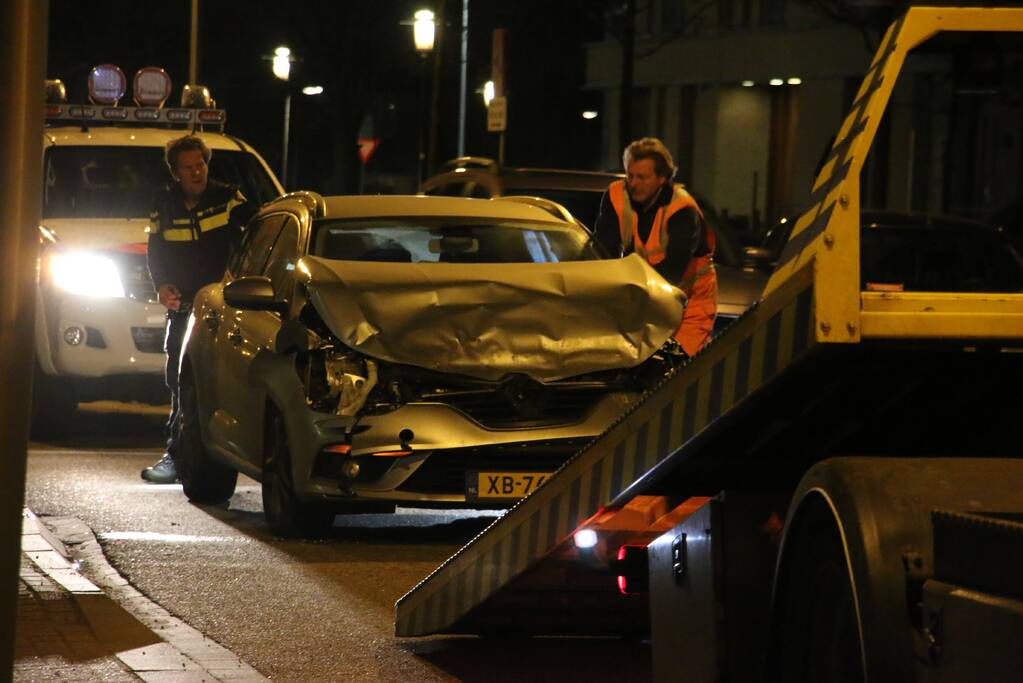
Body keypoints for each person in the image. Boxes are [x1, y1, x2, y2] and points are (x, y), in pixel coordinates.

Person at [141, 135, 255, 483]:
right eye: (188, 167)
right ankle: (177, 454)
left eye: (201, 164)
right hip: (183, 306)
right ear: (175, 172)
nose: (197, 171)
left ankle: (218, 455)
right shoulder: (163, 204)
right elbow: (156, 251)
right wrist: (161, 285)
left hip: (220, 307)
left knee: (221, 381)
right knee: (179, 380)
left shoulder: (227, 198)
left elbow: (253, 229)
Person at [594, 137, 717, 357]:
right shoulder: (616, 195)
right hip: (648, 298)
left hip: (690, 305)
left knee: (680, 366)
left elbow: (673, 271)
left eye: (642, 177)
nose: (633, 183)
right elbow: (602, 252)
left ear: (662, 178)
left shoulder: (682, 209)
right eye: (630, 175)